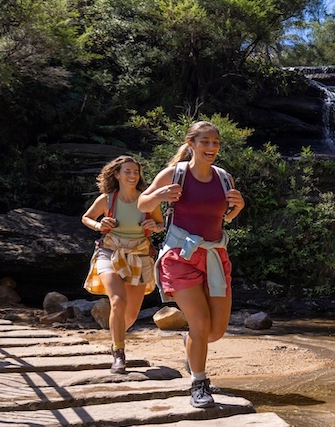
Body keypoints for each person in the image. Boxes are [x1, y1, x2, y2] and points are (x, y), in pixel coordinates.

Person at [139, 121, 244, 408]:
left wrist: (239, 206)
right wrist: (159, 196)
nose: (211, 147)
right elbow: (143, 204)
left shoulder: (224, 178)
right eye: (205, 141)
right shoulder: (175, 174)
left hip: (214, 256)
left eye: (215, 142)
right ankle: (199, 384)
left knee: (215, 331)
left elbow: (227, 216)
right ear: (191, 144)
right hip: (180, 256)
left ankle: (191, 345)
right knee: (199, 322)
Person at [81, 156, 165, 374]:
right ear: (117, 174)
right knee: (118, 301)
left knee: (131, 314)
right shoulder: (107, 200)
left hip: (140, 254)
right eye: (127, 171)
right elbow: (86, 218)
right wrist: (99, 225)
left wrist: (154, 226)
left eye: (135, 172)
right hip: (110, 252)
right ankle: (119, 353)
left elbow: (161, 224)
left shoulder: (148, 200)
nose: (132, 175)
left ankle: (115, 337)